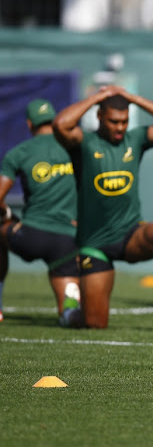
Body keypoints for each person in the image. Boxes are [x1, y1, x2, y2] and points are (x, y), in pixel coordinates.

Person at [52, 85, 153, 335]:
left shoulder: (135, 138)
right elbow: (61, 124)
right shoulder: (85, 142)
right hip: (94, 244)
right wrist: (98, 97)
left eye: (124, 121)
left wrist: (133, 98)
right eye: (114, 121)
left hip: (130, 235)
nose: (120, 127)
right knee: (94, 323)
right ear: (99, 116)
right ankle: (70, 311)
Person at [0, 99, 82, 326]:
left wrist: (7, 214)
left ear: (29, 124)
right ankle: (69, 308)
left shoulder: (19, 153)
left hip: (31, 235)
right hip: (67, 239)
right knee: (69, 306)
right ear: (56, 120)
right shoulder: (73, 148)